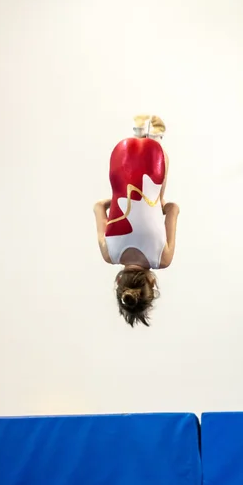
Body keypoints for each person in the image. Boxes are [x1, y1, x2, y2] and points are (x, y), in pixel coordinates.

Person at [93, 115, 180, 327]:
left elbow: (173, 209)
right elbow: (98, 207)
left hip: (155, 164)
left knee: (156, 197)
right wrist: (112, 202)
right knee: (132, 190)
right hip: (119, 159)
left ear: (151, 282)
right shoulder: (109, 254)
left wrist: (161, 206)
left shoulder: (163, 259)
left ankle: (154, 139)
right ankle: (138, 135)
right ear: (117, 281)